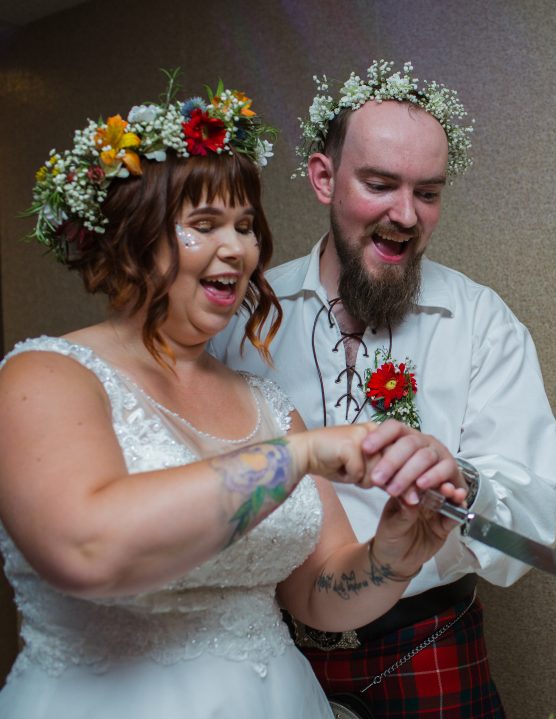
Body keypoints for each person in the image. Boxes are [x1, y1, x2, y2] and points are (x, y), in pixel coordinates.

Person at [0, 74, 467, 719]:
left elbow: (319, 595)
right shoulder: (42, 376)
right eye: (205, 224)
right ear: (131, 238)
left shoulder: (264, 400)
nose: (239, 249)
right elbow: (89, 548)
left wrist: (392, 555)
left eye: (246, 225)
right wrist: (296, 455)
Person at [209, 60, 556, 718]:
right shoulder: (242, 315)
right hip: (268, 648)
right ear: (323, 178)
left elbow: (532, 528)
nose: (405, 214)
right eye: (380, 184)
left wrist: (461, 479)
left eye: (428, 192)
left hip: (426, 642)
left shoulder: (482, 322)